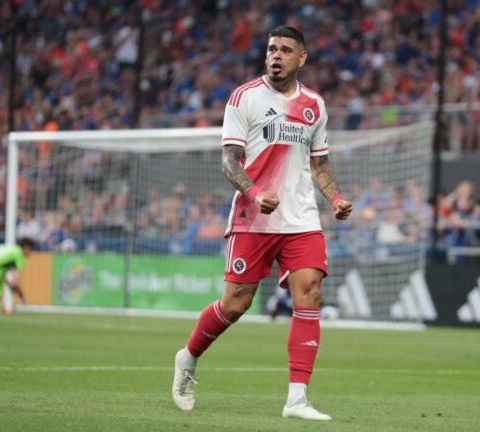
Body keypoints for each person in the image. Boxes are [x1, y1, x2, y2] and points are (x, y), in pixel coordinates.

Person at [171, 25, 352, 421]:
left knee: (310, 294)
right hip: (254, 217)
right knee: (235, 304)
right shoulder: (245, 98)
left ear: (301, 58)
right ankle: (187, 357)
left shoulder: (315, 105)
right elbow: (229, 162)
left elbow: (319, 165)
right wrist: (254, 194)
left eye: (286, 50)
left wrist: (335, 198)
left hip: (301, 218)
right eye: (272, 48)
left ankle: (297, 399)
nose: (276, 55)